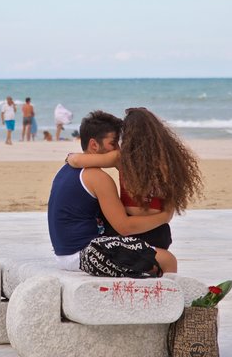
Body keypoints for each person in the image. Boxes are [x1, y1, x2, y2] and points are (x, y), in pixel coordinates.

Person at [47, 111, 176, 275]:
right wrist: (165, 216)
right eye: (113, 144)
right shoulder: (98, 178)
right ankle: (170, 299)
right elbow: (124, 227)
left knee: (153, 245)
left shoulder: (66, 169)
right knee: (167, 260)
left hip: (67, 253)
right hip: (84, 253)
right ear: (94, 145)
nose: (119, 150)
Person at [66, 108, 203, 254]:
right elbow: (169, 206)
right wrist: (165, 217)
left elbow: (78, 160)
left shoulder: (122, 159)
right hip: (159, 233)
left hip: (129, 231)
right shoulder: (169, 163)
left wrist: (70, 157)